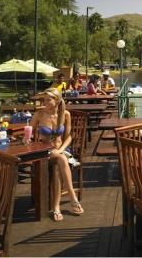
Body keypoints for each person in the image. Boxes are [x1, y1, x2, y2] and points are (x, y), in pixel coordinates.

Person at [30, 88, 84, 221]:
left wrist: (60, 150)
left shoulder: (65, 114)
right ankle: (72, 198)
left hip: (61, 151)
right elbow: (29, 133)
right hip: (44, 152)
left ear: (57, 100)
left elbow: (69, 137)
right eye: (44, 99)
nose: (45, 102)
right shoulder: (39, 114)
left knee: (59, 164)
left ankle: (56, 207)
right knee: (61, 160)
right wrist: (27, 138)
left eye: (49, 99)